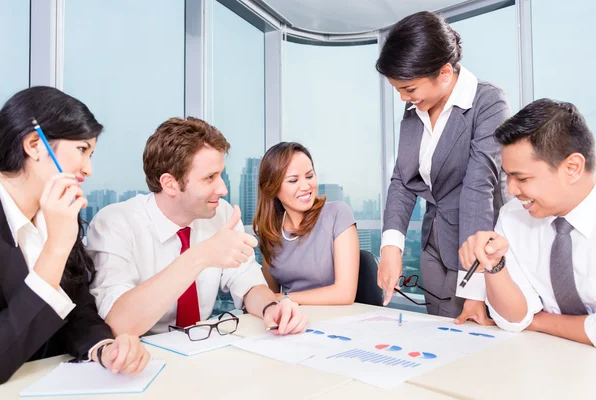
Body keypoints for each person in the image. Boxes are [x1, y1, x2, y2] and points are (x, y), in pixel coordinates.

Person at [88, 117, 308, 336]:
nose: (222, 189)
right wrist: (200, 256)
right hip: (141, 354)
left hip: (201, 347)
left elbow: (248, 283)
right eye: (209, 178)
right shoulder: (115, 223)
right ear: (170, 184)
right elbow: (117, 323)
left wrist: (271, 308)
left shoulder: (222, 214)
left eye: (220, 174)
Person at [0, 87, 149, 385]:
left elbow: (77, 309)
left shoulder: (56, 213)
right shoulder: (57, 225)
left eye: (91, 154)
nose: (88, 169)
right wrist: (56, 248)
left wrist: (103, 348)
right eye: (82, 150)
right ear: (34, 144)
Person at [375, 11, 511, 323]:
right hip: (434, 244)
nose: (403, 99)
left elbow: (479, 187)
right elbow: (402, 179)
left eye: (409, 89)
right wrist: (392, 247)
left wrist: (475, 286)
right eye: (397, 89)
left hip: (475, 248)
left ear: (445, 72)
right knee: (436, 337)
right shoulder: (415, 110)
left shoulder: (488, 103)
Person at [459, 99, 596, 346]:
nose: (511, 190)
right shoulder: (513, 216)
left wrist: (539, 321)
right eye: (507, 176)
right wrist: (495, 266)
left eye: (521, 178)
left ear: (573, 168)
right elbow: (514, 319)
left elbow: (528, 322)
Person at [252, 142, 359, 305]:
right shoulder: (271, 232)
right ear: (272, 188)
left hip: (335, 319)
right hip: (291, 321)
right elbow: (269, 297)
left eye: (309, 176)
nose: (306, 186)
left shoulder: (337, 214)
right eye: (293, 180)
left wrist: (283, 298)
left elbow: (345, 293)